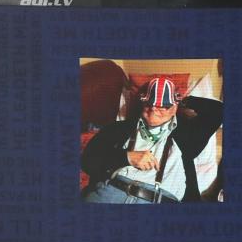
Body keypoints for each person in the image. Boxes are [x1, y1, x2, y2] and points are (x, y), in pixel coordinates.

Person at [81, 77, 223, 203]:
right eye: (149, 103)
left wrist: (185, 100)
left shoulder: (188, 135)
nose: (154, 109)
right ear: (142, 103)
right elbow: (87, 160)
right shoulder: (118, 128)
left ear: (174, 108)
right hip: (110, 192)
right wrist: (126, 157)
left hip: (160, 199)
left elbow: (219, 110)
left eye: (164, 106)